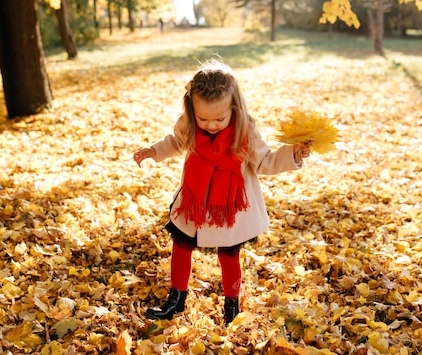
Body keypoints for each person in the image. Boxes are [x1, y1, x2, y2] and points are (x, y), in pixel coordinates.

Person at [133, 59, 312, 325]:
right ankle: (176, 299)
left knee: (229, 255)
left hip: (229, 207)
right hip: (195, 200)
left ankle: (232, 305)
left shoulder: (245, 130)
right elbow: (176, 141)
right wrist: (154, 151)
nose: (211, 125)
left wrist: (293, 154)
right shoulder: (191, 122)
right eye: (203, 118)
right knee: (181, 245)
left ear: (234, 108)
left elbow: (265, 162)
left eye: (219, 118)